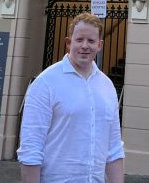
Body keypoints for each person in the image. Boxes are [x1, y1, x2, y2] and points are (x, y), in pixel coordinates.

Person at [18, 13, 124, 183]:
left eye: (91, 41)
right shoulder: (45, 82)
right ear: (69, 43)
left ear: (100, 45)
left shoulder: (107, 86)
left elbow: (114, 148)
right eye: (79, 39)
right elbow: (31, 148)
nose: (85, 46)